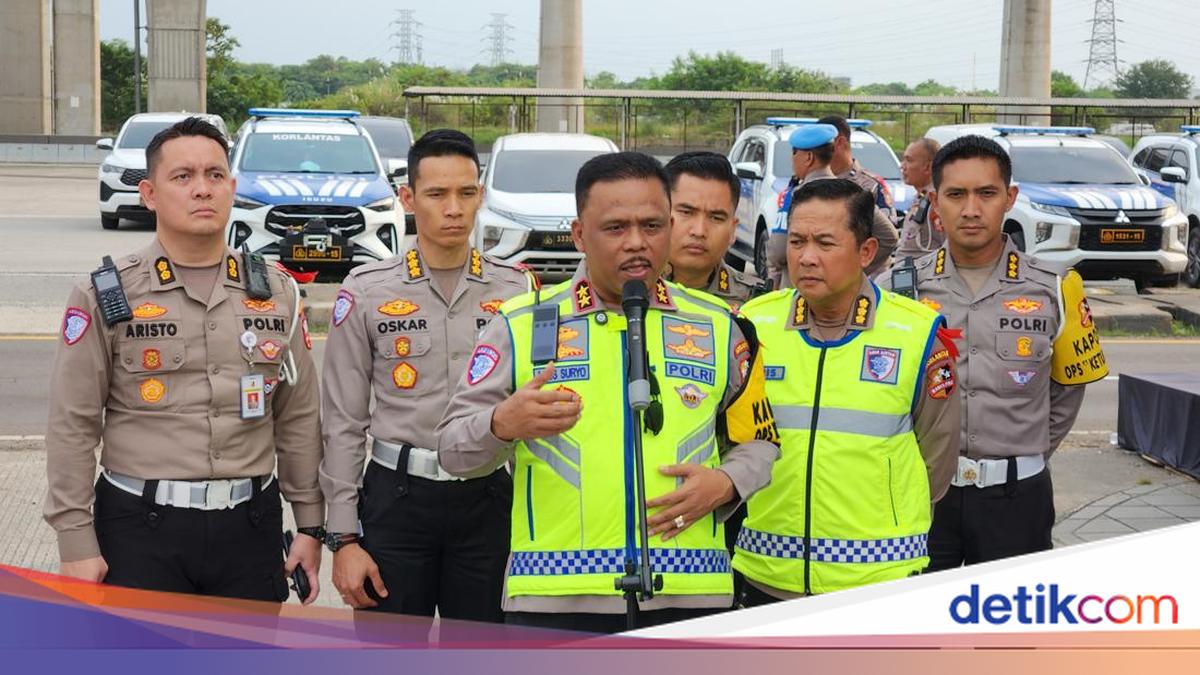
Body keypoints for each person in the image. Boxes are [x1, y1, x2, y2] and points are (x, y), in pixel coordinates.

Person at [437, 151, 781, 634]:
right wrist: (501, 425)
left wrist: (727, 483)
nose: (637, 243)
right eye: (616, 228)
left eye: (652, 226)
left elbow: (761, 441)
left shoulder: (721, 326)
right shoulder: (520, 324)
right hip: (555, 599)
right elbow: (453, 451)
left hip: (690, 593)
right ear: (580, 235)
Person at [43, 117, 324, 603]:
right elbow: (73, 423)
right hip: (139, 530)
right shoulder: (106, 293)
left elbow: (298, 416)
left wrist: (310, 524)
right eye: (183, 176)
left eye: (215, 175)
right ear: (150, 194)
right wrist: (75, 541)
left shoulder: (276, 292)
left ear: (231, 188)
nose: (202, 189)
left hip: (249, 527)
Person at [319, 129, 537, 626]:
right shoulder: (367, 289)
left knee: (482, 651)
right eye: (437, 194)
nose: (453, 209)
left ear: (481, 196)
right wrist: (344, 537)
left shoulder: (518, 290)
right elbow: (343, 421)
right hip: (397, 500)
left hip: (488, 498)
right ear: (408, 198)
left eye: (466, 192)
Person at [880, 135, 1108, 570]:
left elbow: (1068, 390)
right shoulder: (898, 289)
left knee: (1009, 616)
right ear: (934, 201)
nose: (971, 209)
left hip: (1017, 501)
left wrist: (1022, 457)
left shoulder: (1056, 287)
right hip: (922, 494)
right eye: (956, 195)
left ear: (1010, 198)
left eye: (986, 193)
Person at [733, 179, 960, 604]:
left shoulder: (915, 332)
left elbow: (938, 452)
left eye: (825, 243)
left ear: (866, 252)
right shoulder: (754, 324)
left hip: (879, 579)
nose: (807, 257)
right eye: (797, 241)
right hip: (767, 574)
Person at [767, 124, 897, 285]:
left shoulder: (797, 195)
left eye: (794, 153)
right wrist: (851, 272)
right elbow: (889, 237)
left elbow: (778, 252)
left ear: (808, 157)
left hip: (799, 289)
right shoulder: (852, 193)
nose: (792, 160)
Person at [664, 151, 768, 312]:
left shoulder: (755, 304)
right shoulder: (629, 291)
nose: (699, 231)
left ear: (732, 230)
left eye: (716, 218)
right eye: (686, 212)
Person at [819, 114, 899, 223]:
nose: (814, 151)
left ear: (839, 143)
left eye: (821, 145)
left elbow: (888, 228)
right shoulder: (808, 181)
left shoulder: (871, 186)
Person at [893, 138, 943, 260]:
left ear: (928, 167)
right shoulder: (921, 196)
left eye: (909, 160)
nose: (902, 166)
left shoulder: (937, 203)